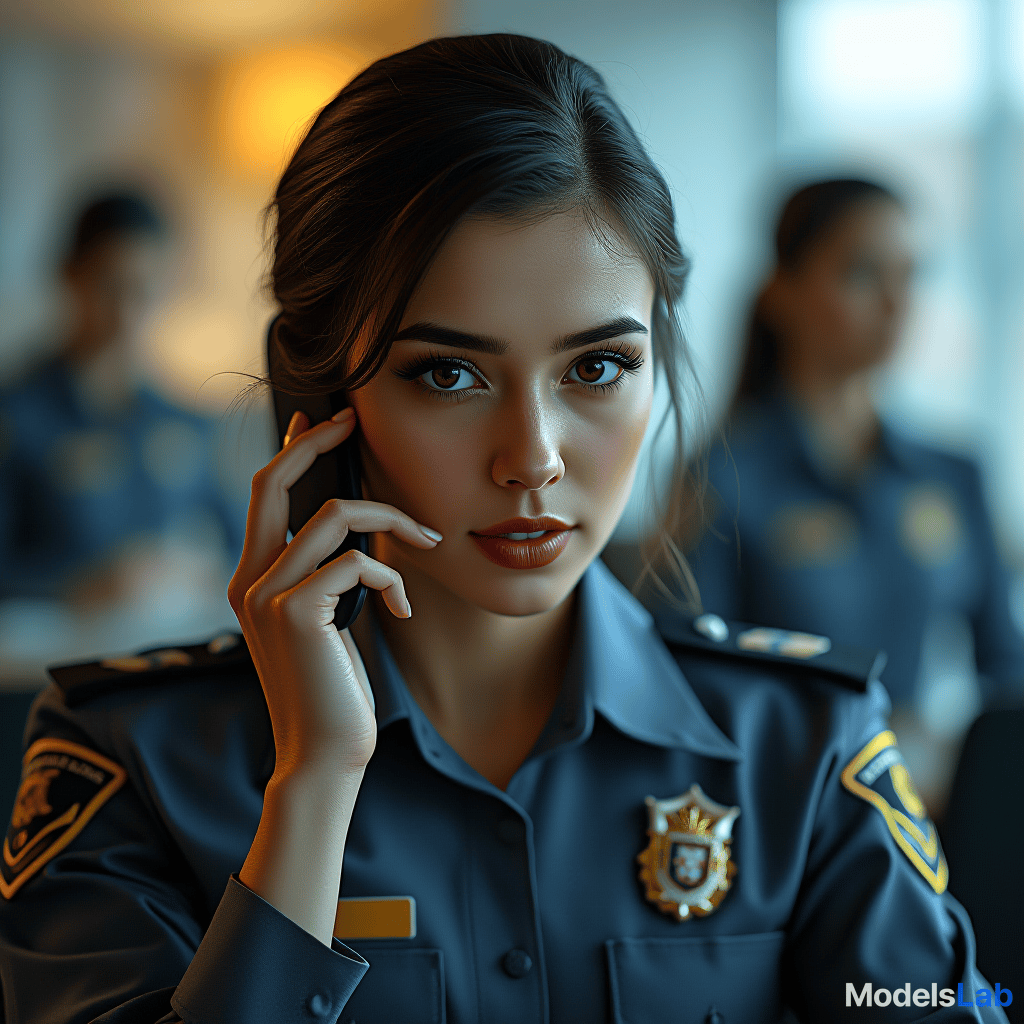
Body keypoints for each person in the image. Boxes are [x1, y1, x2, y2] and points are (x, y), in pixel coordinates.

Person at [0, 39, 1009, 1024]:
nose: (532, 457)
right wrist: (310, 789)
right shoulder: (131, 759)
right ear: (319, 394)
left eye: (597, 367)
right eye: (448, 373)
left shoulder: (802, 746)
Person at [684, 178, 1024, 801]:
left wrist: (967, 761)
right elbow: (693, 687)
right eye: (864, 274)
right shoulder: (724, 477)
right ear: (783, 292)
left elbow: (1007, 675)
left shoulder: (954, 473)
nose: (898, 304)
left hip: (938, 804)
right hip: (788, 802)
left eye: (912, 275)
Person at [0, 190, 246, 607]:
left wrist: (200, 569)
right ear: (70, 276)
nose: (127, 315)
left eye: (144, 292)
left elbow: (242, 548)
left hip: (170, 645)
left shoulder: (187, 420)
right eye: (110, 288)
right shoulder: (18, 418)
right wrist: (75, 588)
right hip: (50, 656)